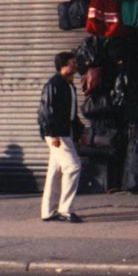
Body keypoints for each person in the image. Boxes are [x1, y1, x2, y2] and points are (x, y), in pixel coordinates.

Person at [38, 51, 85, 223]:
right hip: (57, 133)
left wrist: (80, 131)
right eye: (72, 62)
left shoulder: (68, 85)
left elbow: (71, 113)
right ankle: (65, 209)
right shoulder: (54, 84)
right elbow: (46, 111)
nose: (76, 65)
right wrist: (52, 133)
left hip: (64, 132)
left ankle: (48, 211)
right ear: (64, 65)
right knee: (73, 167)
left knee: (55, 172)